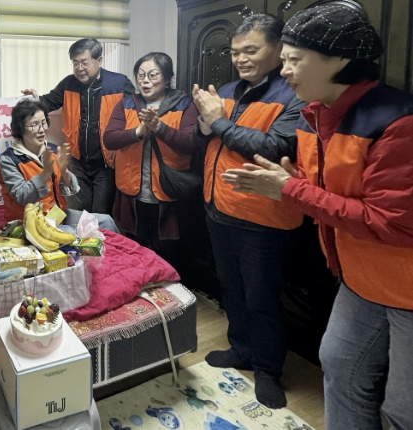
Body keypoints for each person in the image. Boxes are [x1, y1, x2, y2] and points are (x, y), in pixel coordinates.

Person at [221, 6, 413, 428]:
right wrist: (294, 181)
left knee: (403, 406)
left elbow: (392, 222)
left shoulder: (396, 120)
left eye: (294, 59)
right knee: (340, 365)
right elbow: (324, 190)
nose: (285, 70)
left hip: (404, 283)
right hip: (357, 276)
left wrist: (292, 190)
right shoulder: (313, 115)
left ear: (339, 59)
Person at [191, 13, 306, 409]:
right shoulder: (225, 89)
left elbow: (276, 147)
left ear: (278, 49)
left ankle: (268, 369)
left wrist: (218, 122)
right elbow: (205, 137)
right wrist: (205, 124)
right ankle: (240, 349)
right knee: (232, 289)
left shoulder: (294, 93)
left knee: (262, 298)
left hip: (263, 218)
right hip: (219, 208)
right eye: (235, 51)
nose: (240, 58)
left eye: (250, 50)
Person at [103, 52, 199, 262]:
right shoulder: (126, 103)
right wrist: (138, 132)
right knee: (133, 247)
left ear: (167, 78)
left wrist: (159, 127)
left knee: (166, 250)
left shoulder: (184, 105)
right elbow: (109, 139)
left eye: (153, 75)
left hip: (168, 190)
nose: (145, 80)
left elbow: (190, 143)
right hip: (132, 190)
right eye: (141, 75)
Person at [21, 38, 135, 215]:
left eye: (84, 62)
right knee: (81, 210)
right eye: (75, 63)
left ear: (99, 60)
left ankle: (101, 234)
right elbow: (48, 102)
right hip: (78, 161)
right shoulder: (68, 84)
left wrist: (120, 143)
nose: (79, 68)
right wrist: (35, 99)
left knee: (101, 211)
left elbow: (133, 115)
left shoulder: (119, 84)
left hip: (106, 162)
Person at [0, 98, 118, 232]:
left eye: (43, 123)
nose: (42, 129)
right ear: (20, 128)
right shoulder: (9, 160)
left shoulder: (52, 149)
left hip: (57, 215)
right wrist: (44, 174)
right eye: (34, 125)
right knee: (71, 235)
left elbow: (69, 189)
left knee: (106, 221)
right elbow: (22, 196)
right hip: (30, 224)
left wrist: (64, 171)